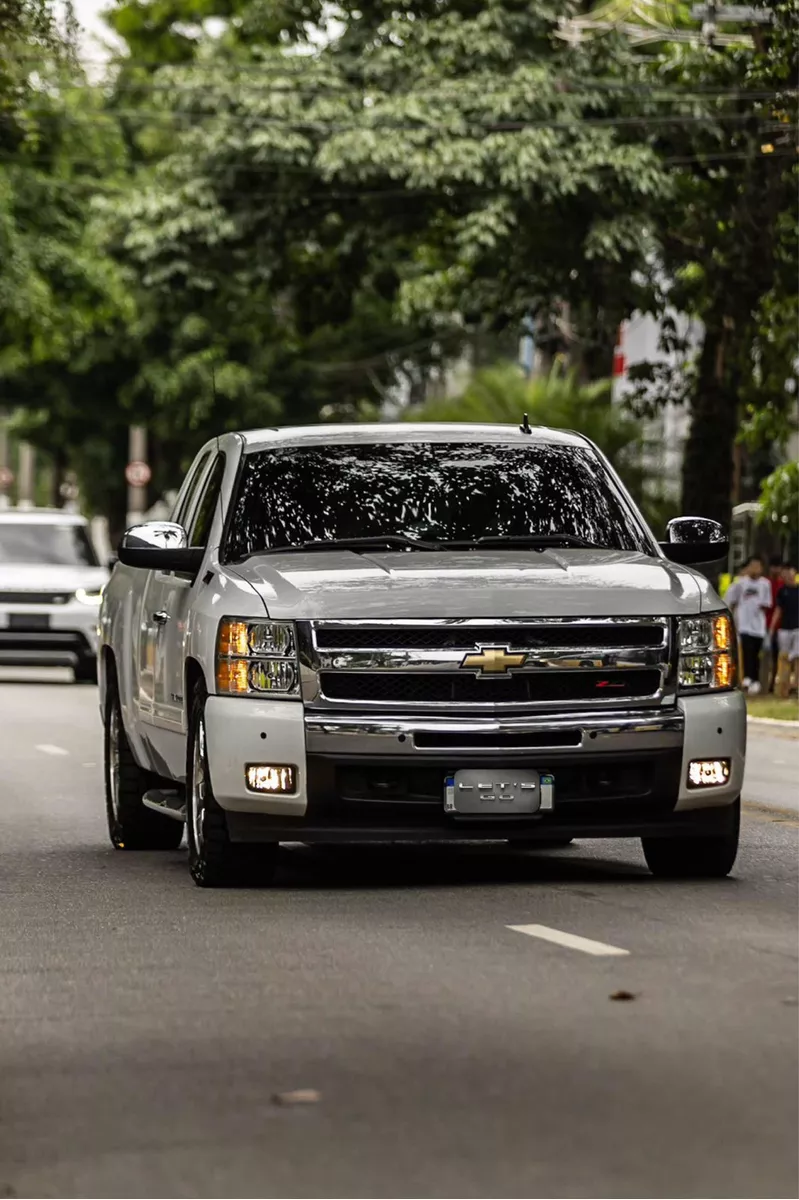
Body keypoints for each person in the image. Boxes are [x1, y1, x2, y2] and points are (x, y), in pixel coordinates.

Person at [726, 555, 771, 694]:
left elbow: (766, 604)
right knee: (747, 652)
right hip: (744, 625)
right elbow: (731, 600)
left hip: (758, 626)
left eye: (757, 566)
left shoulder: (765, 584)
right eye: (752, 565)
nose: (755, 569)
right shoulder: (740, 583)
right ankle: (747, 678)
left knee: (756, 654)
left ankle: (755, 680)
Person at [770, 562, 799, 699]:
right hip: (785, 629)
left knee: (797, 658)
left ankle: (796, 685)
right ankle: (783, 687)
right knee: (784, 658)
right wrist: (771, 628)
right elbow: (778, 610)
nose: (787, 575)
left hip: (797, 628)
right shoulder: (782, 591)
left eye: (790, 572)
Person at [766, 556, 784, 692]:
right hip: (765, 625)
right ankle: (766, 682)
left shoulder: (783, 585)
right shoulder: (765, 583)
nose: (776, 570)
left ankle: (774, 682)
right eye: (774, 566)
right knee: (768, 655)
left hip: (781, 626)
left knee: (779, 656)